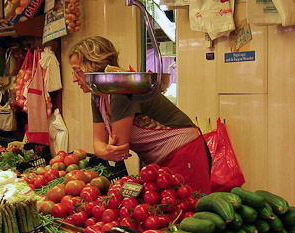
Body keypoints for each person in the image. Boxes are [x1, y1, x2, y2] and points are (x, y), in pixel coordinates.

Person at [69, 36, 211, 193]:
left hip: (183, 152)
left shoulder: (121, 88)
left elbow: (119, 148)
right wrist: (103, 151)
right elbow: (98, 143)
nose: (74, 79)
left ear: (95, 67)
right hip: (159, 159)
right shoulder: (97, 95)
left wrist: (104, 151)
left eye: (78, 71)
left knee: (189, 208)